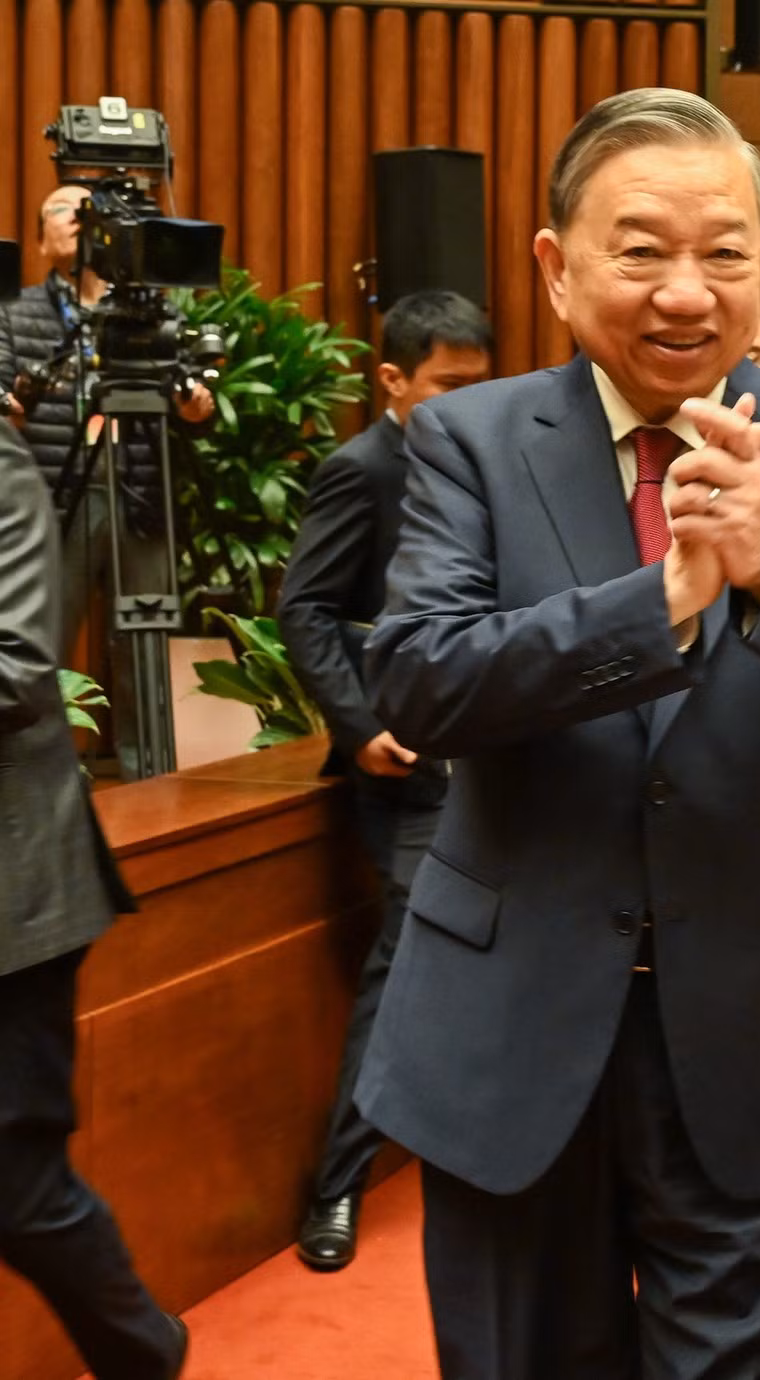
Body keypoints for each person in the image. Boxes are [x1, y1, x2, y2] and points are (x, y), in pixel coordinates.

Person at [355, 89, 760, 1380]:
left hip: (756, 1036)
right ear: (557, 265)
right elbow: (414, 680)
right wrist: (664, 605)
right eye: (641, 251)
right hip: (509, 1031)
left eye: (724, 253)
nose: (687, 293)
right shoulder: (471, 438)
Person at [276, 290, 493, 1271]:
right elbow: (308, 608)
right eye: (445, 387)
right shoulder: (358, 470)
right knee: (401, 974)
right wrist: (357, 727)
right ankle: (335, 1190)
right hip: (405, 769)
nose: (461, 405)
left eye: (474, 386)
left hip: (496, 757)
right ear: (393, 380)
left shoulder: (494, 458)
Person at [0, 422, 188, 1380]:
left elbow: (19, 667)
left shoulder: (3, 476)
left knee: (18, 1187)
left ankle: (145, 1354)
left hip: (14, 902)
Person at [1, 183, 215, 777]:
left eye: (87, 210)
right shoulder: (14, 314)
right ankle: (32, 779)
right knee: (37, 642)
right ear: (42, 239)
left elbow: (194, 403)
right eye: (63, 210)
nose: (78, 219)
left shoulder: (158, 312)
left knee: (143, 644)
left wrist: (199, 408)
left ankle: (150, 776)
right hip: (53, 497)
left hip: (138, 494)